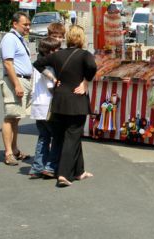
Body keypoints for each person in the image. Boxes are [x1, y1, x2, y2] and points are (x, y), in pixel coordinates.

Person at [33, 25, 97, 187]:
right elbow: (92, 67)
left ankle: (79, 171)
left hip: (59, 101)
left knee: (70, 136)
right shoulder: (85, 54)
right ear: (82, 39)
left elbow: (38, 63)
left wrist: (52, 78)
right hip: (76, 100)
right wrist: (85, 82)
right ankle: (64, 173)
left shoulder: (58, 55)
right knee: (72, 136)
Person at [0, 12, 33, 166]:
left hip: (23, 80)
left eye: (28, 24)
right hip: (16, 80)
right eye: (25, 24)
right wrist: (17, 84)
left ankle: (15, 149)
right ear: (15, 24)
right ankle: (8, 153)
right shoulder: (9, 38)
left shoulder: (19, 39)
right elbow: (8, 63)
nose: (28, 27)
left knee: (16, 117)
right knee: (10, 116)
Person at [28, 36, 62, 179]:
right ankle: (50, 167)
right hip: (47, 106)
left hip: (37, 106)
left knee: (43, 138)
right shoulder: (48, 67)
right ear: (50, 52)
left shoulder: (37, 64)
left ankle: (37, 167)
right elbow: (50, 87)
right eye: (57, 49)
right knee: (56, 137)